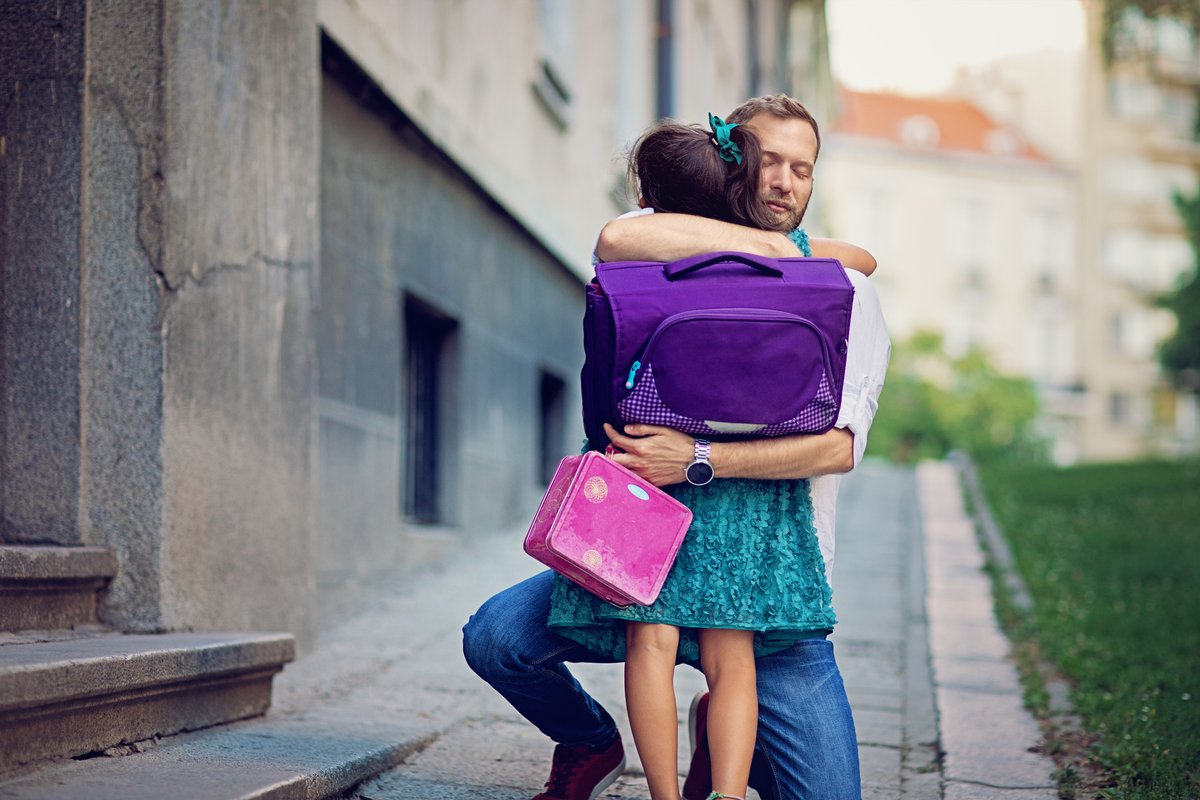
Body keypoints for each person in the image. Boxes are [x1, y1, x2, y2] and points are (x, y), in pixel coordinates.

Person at [463, 94, 891, 800]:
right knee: (496, 640)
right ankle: (590, 742)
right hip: (640, 540)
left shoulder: (843, 292)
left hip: (767, 584)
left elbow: (838, 449)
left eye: (803, 169)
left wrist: (695, 458)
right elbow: (617, 237)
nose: (784, 183)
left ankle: (726, 742)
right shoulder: (660, 239)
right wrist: (772, 248)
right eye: (767, 162)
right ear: (729, 169)